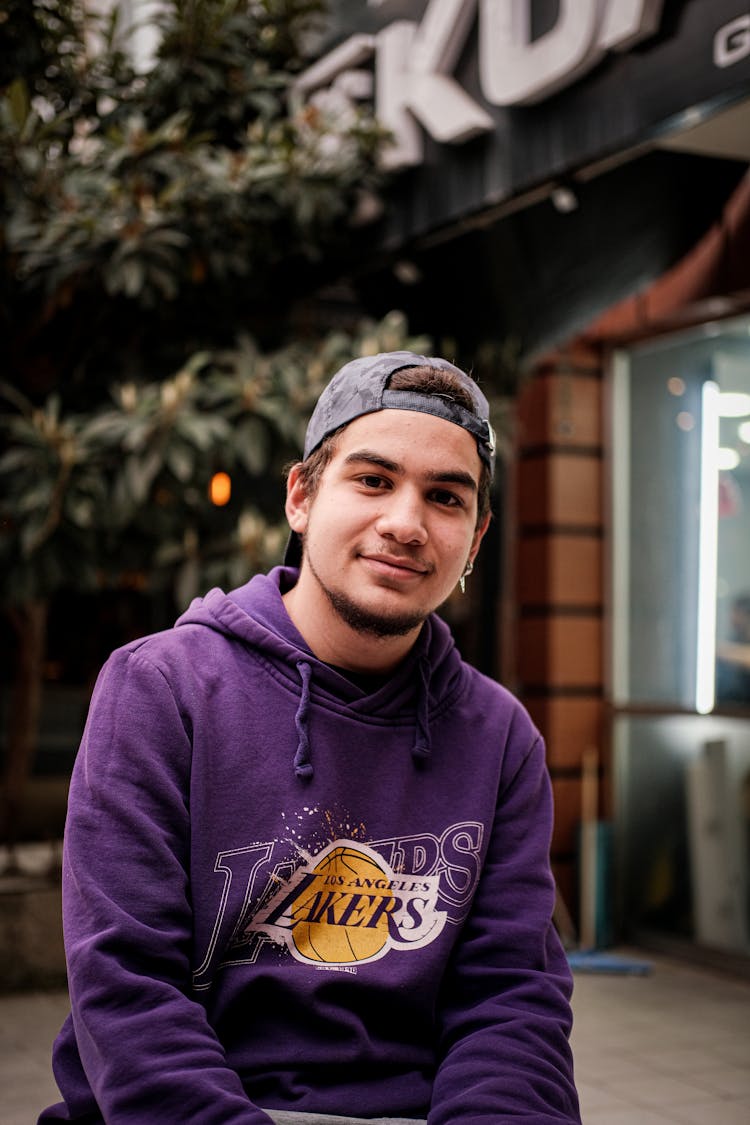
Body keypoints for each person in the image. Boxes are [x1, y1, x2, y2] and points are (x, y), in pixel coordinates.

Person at [41, 351, 581, 1124]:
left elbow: (512, 1005)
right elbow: (126, 988)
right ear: (301, 495)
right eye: (372, 480)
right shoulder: (162, 689)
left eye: (445, 497)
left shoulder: (499, 738)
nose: (405, 522)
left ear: (476, 536)